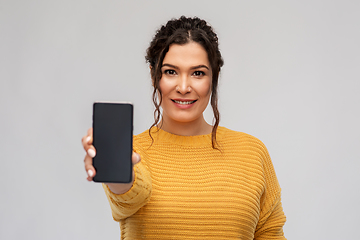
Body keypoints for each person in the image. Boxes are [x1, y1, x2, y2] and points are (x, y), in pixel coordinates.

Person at [82, 16, 286, 240]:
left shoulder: (251, 152)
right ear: (154, 76)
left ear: (213, 77)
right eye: (171, 72)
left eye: (198, 73)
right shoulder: (132, 152)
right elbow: (128, 198)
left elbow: (270, 233)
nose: (183, 87)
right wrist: (118, 172)